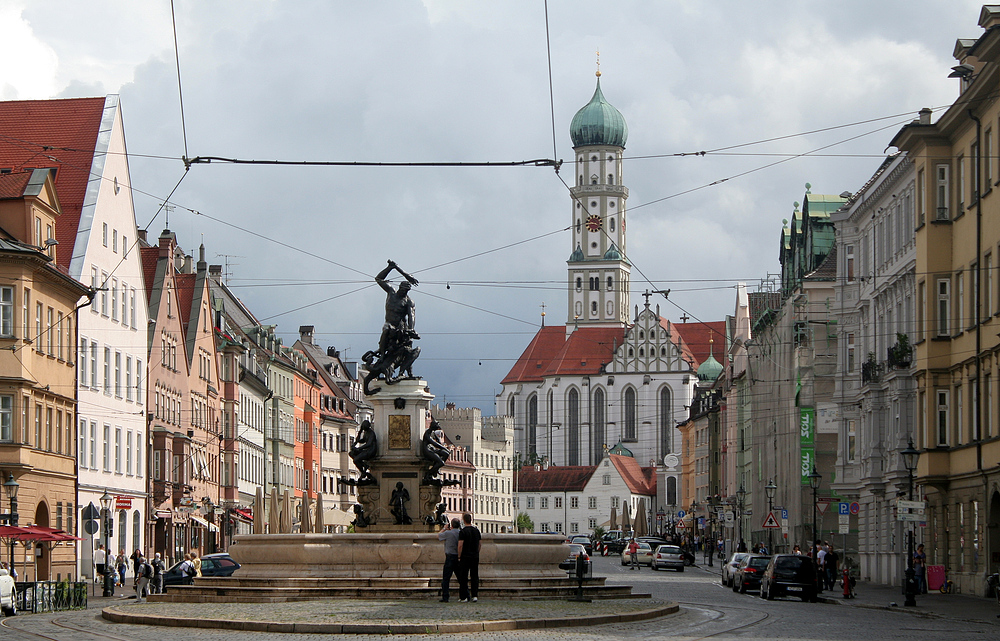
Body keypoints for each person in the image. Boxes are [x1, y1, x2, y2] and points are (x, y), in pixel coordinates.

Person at [457, 513, 481, 603]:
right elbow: (480, 544)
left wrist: (459, 556)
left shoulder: (463, 532)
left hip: (465, 556)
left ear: (464, 520)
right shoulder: (476, 531)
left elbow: (460, 545)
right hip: (474, 556)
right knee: (474, 576)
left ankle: (464, 596)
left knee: (464, 577)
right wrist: (477, 552)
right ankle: (475, 595)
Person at [437, 518, 461, 602]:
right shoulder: (460, 533)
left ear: (451, 525)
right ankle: (465, 595)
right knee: (461, 578)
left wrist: (444, 528)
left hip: (449, 557)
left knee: (446, 578)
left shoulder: (448, 533)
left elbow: (438, 536)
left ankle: (445, 597)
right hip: (458, 557)